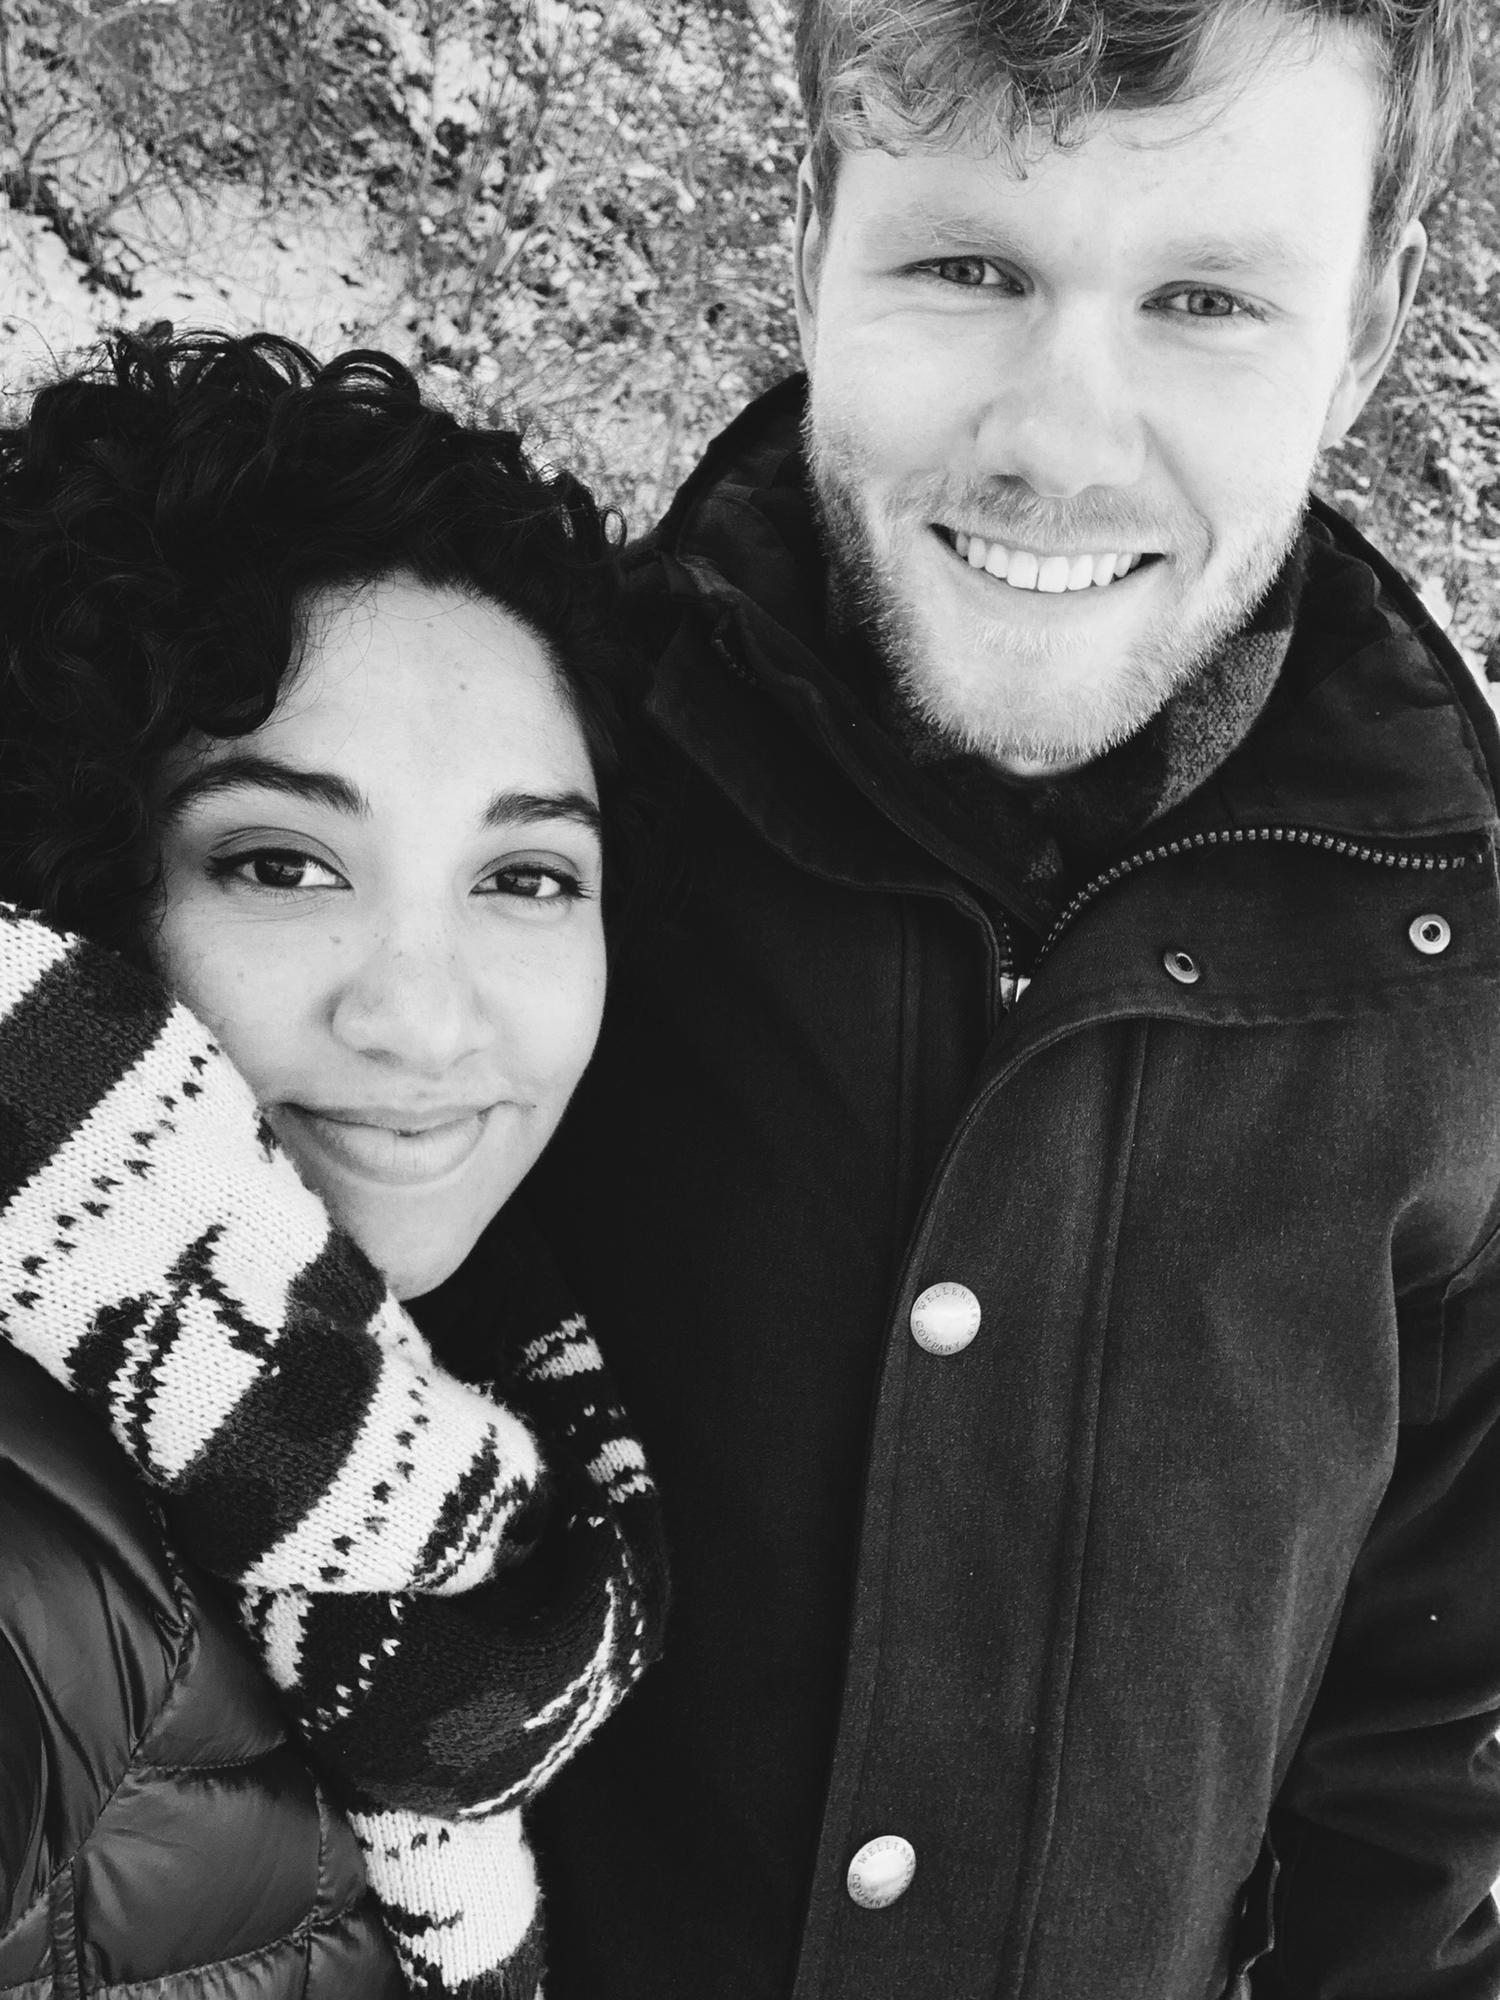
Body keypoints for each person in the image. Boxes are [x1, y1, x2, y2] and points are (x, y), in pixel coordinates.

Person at [529, 0, 1500, 1995]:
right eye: (971, 267)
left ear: (1368, 331)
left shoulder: (1463, 987)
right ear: (815, 237)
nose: (1058, 441)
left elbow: (1419, 1763)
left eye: (1209, 302)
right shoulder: (539, 818)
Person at [0, 330, 664, 1999]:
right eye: (284, 862)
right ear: (81, 880)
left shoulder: (476, 1424)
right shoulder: (43, 1580)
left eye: (525, 878)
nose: (423, 1020)